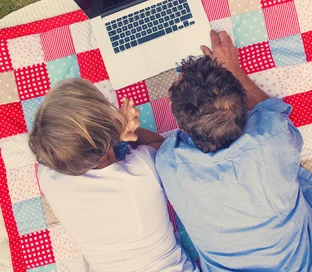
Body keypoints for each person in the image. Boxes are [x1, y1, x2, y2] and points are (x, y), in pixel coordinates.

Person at [156, 30, 312, 272]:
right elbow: (270, 110)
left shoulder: (167, 162)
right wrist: (234, 71)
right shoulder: (274, 135)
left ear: (181, 126)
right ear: (243, 104)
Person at [29, 78, 198, 272]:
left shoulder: (49, 179)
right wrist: (124, 128)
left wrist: (112, 130)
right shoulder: (144, 170)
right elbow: (160, 147)